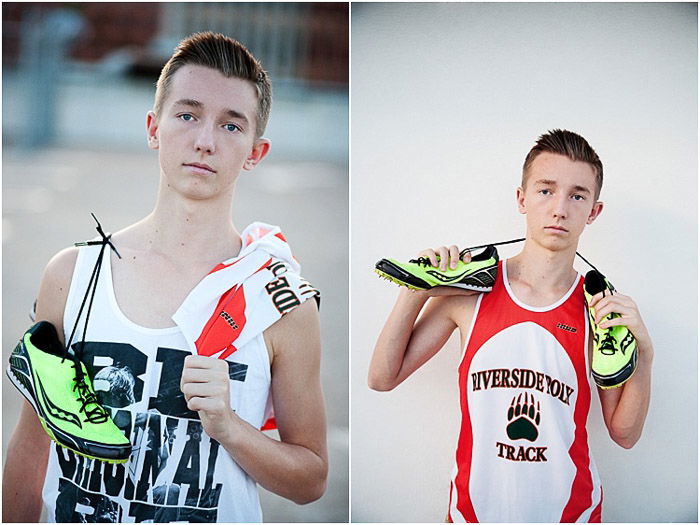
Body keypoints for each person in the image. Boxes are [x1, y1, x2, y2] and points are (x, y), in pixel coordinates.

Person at [3, 32, 327, 522]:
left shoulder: (279, 299)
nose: (204, 140)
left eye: (231, 126)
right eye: (187, 115)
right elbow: (31, 451)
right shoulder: (74, 274)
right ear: (154, 127)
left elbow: (311, 479)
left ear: (255, 153)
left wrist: (229, 426)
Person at [368, 129, 653, 522]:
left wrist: (646, 355)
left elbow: (624, 433)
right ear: (521, 199)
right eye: (545, 190)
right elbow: (382, 377)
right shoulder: (472, 292)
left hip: (570, 515)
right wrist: (419, 288)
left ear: (593, 211)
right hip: (475, 514)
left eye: (577, 195)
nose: (559, 209)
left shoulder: (599, 310)